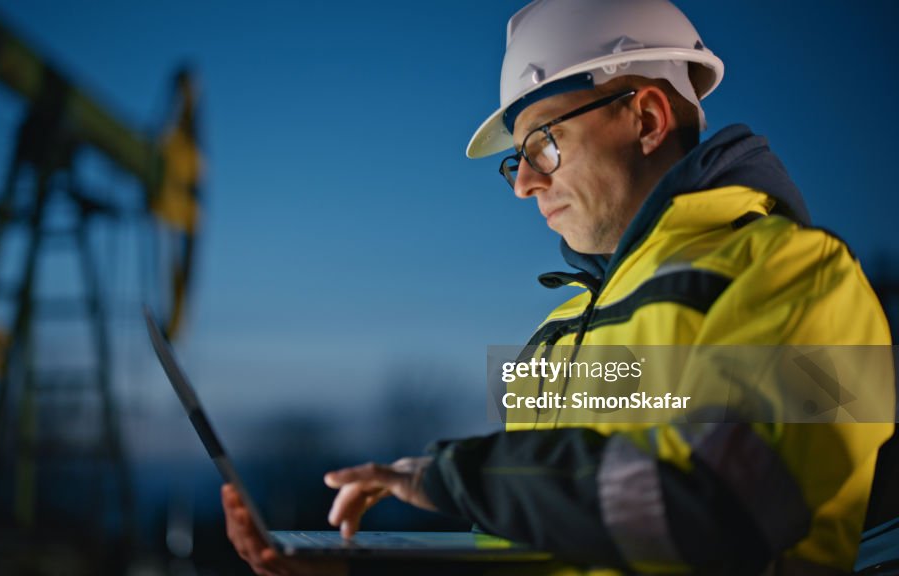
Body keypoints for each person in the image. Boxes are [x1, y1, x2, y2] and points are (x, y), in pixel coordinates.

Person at [223, 0, 894, 574]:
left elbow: (715, 509)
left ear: (648, 119)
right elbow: (537, 551)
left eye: (544, 145)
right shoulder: (553, 339)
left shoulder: (807, 280)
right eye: (517, 160)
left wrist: (451, 477)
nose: (522, 183)